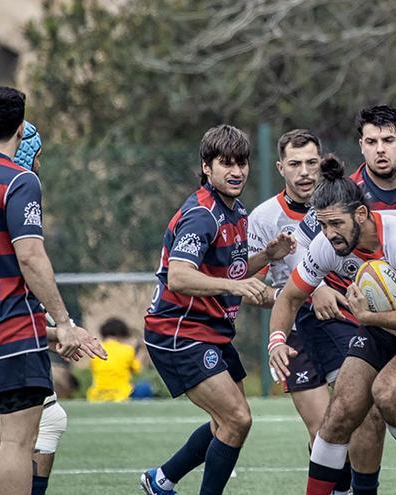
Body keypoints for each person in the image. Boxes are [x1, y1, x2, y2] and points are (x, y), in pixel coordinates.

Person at [0, 87, 105, 495]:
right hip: (11, 327)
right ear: (22, 128)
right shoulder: (20, 180)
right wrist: (64, 322)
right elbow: (31, 257)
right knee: (17, 440)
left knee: (2, 431)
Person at [270, 156, 396, 495]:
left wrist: (369, 318)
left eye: (336, 224)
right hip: (380, 320)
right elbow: (289, 298)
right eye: (323, 224)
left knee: (386, 394)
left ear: (360, 214)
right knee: (339, 413)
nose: (329, 234)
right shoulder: (326, 245)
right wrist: (276, 341)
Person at [139, 125, 294, 495]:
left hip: (210, 330)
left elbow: (233, 270)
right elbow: (178, 276)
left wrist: (267, 257)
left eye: (242, 163)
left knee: (225, 421)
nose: (237, 171)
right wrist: (234, 286)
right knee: (237, 419)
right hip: (179, 332)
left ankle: (161, 479)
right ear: (207, 168)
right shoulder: (202, 215)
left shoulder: (235, 210)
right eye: (226, 163)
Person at [292, 105, 396, 494]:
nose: (380, 150)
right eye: (371, 142)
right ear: (361, 147)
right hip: (347, 310)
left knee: (387, 398)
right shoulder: (346, 192)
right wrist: (320, 287)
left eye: (388, 140)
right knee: (358, 410)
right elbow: (305, 243)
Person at [247, 130, 353, 494]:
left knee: (354, 422)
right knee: (323, 428)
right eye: (295, 164)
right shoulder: (264, 218)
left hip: (341, 320)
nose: (305, 172)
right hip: (293, 328)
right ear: (280, 168)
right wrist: (294, 293)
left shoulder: (342, 204)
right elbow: (248, 286)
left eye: (312, 162)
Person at [87, 318, 143, 402]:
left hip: (97, 396)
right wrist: (142, 350)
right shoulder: (127, 349)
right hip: (122, 395)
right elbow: (137, 369)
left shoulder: (95, 350)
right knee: (144, 387)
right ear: (122, 334)